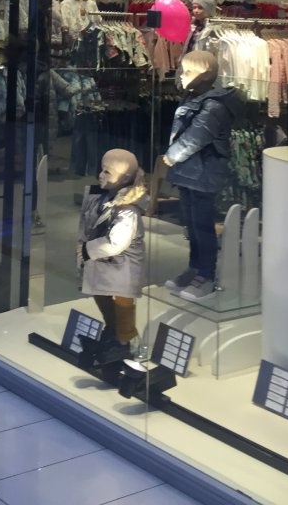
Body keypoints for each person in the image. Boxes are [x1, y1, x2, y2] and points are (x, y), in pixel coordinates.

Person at [162, 50, 239, 301]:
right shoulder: (195, 98)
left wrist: (173, 155)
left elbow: (197, 136)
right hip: (190, 171)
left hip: (203, 172)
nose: (182, 76)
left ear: (206, 75)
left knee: (203, 225)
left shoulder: (213, 106)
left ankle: (206, 275)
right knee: (191, 224)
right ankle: (195, 267)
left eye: (188, 71)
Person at [77, 148, 149, 364]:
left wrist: (87, 250)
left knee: (123, 302)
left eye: (107, 172)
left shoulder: (128, 210)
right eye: (102, 170)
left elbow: (117, 242)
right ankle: (112, 332)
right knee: (101, 293)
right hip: (103, 261)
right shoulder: (102, 197)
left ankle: (125, 340)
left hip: (121, 263)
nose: (101, 175)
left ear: (125, 179)